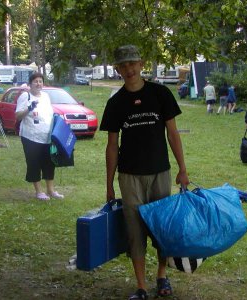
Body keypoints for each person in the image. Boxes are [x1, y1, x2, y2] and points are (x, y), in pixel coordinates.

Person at [100, 45, 189, 300]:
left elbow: (172, 134)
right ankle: (141, 287)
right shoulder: (116, 103)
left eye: (132, 63)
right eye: (123, 65)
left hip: (160, 172)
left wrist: (183, 169)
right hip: (129, 177)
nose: (129, 69)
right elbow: (112, 145)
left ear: (141, 64)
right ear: (118, 69)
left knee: (162, 228)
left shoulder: (160, 94)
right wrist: (109, 185)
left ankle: (162, 276)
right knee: (134, 231)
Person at [15, 72, 64, 200]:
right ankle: (38, 192)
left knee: (49, 163)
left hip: (47, 136)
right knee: (34, 163)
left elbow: (49, 113)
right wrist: (28, 109)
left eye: (40, 81)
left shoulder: (46, 96)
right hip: (30, 136)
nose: (38, 84)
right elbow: (18, 116)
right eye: (35, 81)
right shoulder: (25, 96)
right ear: (30, 83)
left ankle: (50, 190)